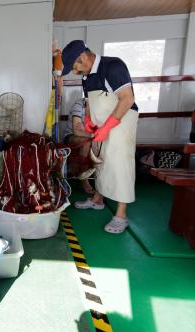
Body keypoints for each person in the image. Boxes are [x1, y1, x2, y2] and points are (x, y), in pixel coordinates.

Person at [61, 40, 139, 234]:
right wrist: (89, 120)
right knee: (100, 162)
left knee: (120, 163)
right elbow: (89, 102)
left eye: (76, 66)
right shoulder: (87, 77)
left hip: (121, 123)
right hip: (102, 125)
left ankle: (121, 215)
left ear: (85, 56)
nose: (75, 71)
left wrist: (108, 127)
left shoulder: (113, 66)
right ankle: (97, 199)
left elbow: (128, 99)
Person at [62, 98, 95, 194]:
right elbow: (77, 131)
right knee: (86, 143)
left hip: (88, 136)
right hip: (70, 136)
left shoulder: (99, 106)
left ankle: (102, 180)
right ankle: (84, 180)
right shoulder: (79, 104)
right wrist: (94, 135)